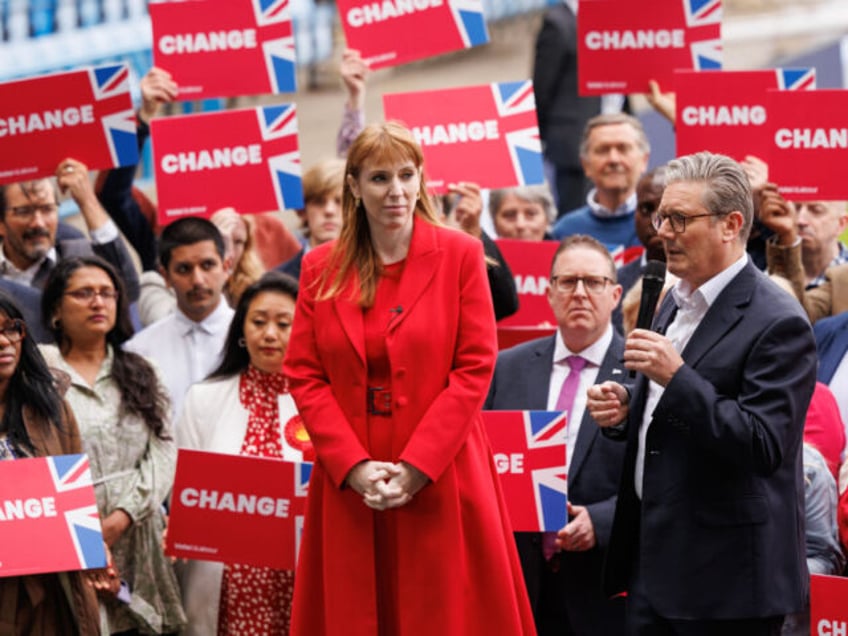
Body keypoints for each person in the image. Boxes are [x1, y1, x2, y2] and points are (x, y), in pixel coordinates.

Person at [282, 122, 535, 635]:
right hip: (351, 477)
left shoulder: (462, 255)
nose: (395, 191)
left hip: (443, 470)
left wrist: (419, 466)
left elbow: (474, 368)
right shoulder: (318, 267)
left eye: (406, 175)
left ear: (421, 180)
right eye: (379, 178)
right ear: (353, 186)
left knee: (446, 613)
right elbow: (304, 373)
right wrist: (351, 465)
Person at [587, 151, 817, 633]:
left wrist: (677, 378)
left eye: (679, 218)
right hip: (655, 565)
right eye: (659, 215)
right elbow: (670, 415)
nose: (662, 230)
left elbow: (763, 444)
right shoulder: (675, 297)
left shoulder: (779, 320)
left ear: (731, 224)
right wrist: (629, 405)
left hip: (727, 584)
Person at [485, 234, 626, 636]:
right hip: (518, 581)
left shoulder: (642, 374)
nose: (579, 293)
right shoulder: (506, 368)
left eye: (593, 282)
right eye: (567, 282)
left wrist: (600, 522)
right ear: (549, 293)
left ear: (615, 294)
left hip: (602, 589)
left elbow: (662, 480)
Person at [39, 257, 185, 634]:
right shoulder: (39, 371)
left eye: (107, 293)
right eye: (83, 293)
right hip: (67, 538)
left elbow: (164, 450)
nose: (97, 302)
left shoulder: (141, 369)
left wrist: (123, 515)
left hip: (138, 531)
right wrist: (87, 534)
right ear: (56, 308)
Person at [177, 272, 300, 635]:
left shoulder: (326, 402)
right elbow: (184, 488)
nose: (270, 334)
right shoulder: (204, 398)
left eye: (284, 323)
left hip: (298, 577)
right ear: (242, 331)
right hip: (222, 578)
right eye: (259, 322)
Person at [0, 293, 101, 633]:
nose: (4, 341)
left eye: (11, 328)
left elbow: (76, 499)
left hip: (55, 589)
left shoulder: (50, 408)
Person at [125, 217, 234, 420]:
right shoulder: (139, 352)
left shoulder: (254, 339)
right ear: (165, 276)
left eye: (207, 265)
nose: (198, 280)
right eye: (184, 269)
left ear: (226, 267)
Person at [0, 163, 139, 301]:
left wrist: (87, 201)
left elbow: (128, 290)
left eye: (47, 209)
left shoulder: (79, 257)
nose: (38, 223)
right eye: (24, 212)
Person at [551, 113, 649, 251]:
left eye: (623, 149)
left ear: (644, 160)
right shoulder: (564, 231)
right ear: (586, 165)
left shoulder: (663, 226)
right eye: (602, 150)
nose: (613, 159)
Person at [276, 159, 345, 280]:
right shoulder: (278, 281)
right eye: (319, 202)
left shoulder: (374, 273)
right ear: (302, 211)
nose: (329, 210)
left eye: (340, 201)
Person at [210, 207, 265, 306]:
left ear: (246, 246)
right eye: (222, 240)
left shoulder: (256, 289)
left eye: (238, 242)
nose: (230, 251)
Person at [488, 185, 556, 242]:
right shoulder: (482, 257)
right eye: (510, 215)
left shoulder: (563, 256)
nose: (520, 225)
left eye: (531, 214)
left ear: (547, 219)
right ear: (494, 222)